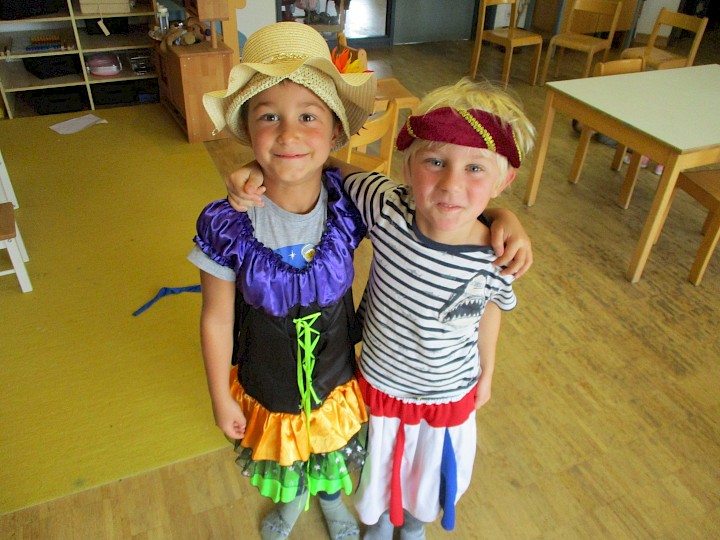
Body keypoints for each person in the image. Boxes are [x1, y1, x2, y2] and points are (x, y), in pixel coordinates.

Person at [225, 77, 536, 539]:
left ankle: (412, 528)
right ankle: (377, 521)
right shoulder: (386, 206)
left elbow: (489, 310)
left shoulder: (498, 253)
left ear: (503, 180)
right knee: (376, 467)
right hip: (379, 387)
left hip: (448, 395)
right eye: (435, 161)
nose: (451, 184)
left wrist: (486, 373)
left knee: (430, 476)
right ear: (408, 168)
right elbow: (316, 159)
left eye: (475, 168)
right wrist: (258, 163)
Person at [190, 22, 377, 540]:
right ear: (248, 131)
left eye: (308, 116)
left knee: (330, 447)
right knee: (285, 454)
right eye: (269, 116)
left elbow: (429, 213)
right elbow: (216, 317)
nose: (289, 133)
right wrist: (219, 395)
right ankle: (293, 501)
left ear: (335, 132)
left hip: (335, 372)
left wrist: (500, 218)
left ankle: (332, 502)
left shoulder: (350, 203)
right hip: (265, 375)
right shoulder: (226, 222)